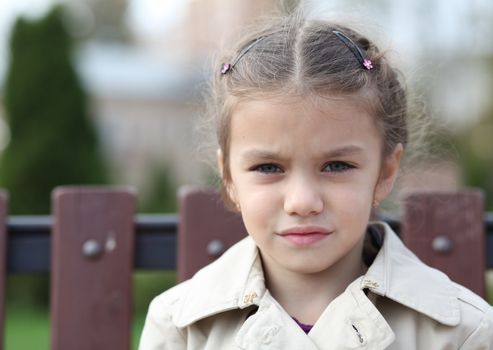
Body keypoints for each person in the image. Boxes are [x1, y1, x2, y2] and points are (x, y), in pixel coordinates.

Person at [139, 13, 493, 349]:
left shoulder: (461, 332)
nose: (302, 201)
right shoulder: (179, 328)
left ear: (385, 172)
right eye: (268, 168)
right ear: (229, 176)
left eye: (336, 166)